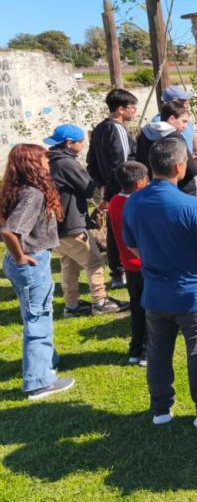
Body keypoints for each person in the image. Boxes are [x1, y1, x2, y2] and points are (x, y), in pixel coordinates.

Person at [122, 137, 197, 428]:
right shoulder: (190, 205)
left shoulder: (134, 203)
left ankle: (161, 409)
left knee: (158, 351)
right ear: (180, 166)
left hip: (156, 291)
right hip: (194, 293)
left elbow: (132, 245)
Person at [0, 144, 74, 399]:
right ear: (32, 164)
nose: (48, 165)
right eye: (44, 160)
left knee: (34, 313)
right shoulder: (33, 194)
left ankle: (47, 362)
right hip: (30, 262)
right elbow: (10, 230)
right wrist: (21, 256)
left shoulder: (17, 189)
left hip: (20, 262)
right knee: (38, 318)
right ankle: (38, 382)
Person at [46, 124, 123, 318]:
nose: (83, 146)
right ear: (69, 143)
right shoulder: (66, 163)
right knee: (94, 261)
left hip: (57, 225)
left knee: (69, 263)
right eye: (81, 142)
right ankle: (100, 301)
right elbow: (88, 189)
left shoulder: (50, 161)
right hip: (72, 223)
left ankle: (71, 305)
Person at [86, 88, 138, 289]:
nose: (134, 111)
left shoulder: (99, 129)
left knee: (114, 231)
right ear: (120, 109)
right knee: (128, 230)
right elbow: (125, 164)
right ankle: (126, 269)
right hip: (125, 191)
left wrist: (105, 188)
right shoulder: (117, 129)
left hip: (111, 190)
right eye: (132, 107)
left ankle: (117, 273)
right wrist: (126, 189)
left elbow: (91, 163)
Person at [108, 162, 150, 367]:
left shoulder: (114, 202)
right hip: (145, 264)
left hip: (129, 265)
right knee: (151, 310)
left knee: (137, 309)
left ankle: (135, 349)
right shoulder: (141, 203)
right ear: (140, 182)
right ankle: (146, 352)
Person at [137, 101, 197, 196]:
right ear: (172, 119)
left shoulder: (144, 135)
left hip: (155, 189)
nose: (185, 126)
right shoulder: (175, 137)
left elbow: (140, 162)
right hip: (182, 190)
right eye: (184, 121)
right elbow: (191, 170)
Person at [151, 85, 197, 159]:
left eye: (187, 100)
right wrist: (188, 158)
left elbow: (194, 140)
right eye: (183, 100)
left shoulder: (184, 118)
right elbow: (164, 155)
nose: (187, 103)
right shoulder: (159, 123)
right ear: (172, 103)